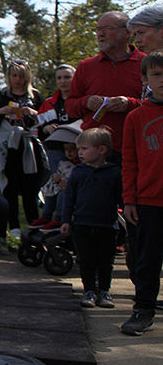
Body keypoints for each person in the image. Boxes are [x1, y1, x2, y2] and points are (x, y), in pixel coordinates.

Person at [120, 51, 163, 335]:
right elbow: (130, 161)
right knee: (147, 260)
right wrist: (130, 199)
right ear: (145, 79)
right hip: (149, 202)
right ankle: (143, 309)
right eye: (157, 75)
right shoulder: (136, 118)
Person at [0, 59, 47, 246]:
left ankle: (34, 229)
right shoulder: (1, 94)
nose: (18, 79)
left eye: (21, 76)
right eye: (14, 75)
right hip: (7, 145)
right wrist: (4, 110)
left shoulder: (35, 95)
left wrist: (32, 113)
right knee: (9, 185)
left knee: (30, 187)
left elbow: (44, 118)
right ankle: (14, 229)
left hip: (28, 146)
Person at [66, 11, 147, 159]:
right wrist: (87, 102)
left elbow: (157, 105)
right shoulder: (86, 66)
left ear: (127, 33)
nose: (100, 34)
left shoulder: (147, 63)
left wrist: (129, 104)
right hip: (96, 155)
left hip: (137, 148)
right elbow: (70, 108)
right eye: (98, 30)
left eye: (107, 29)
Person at [57, 128, 122, 309]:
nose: (80, 153)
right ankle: (89, 290)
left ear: (101, 150)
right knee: (85, 259)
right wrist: (66, 220)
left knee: (105, 260)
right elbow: (69, 198)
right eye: (79, 149)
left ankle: (104, 290)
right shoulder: (78, 172)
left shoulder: (114, 172)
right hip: (82, 224)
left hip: (107, 224)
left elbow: (120, 197)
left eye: (85, 149)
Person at [36, 64, 80, 221]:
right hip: (55, 150)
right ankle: (49, 218)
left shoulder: (82, 100)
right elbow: (38, 130)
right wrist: (46, 127)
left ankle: (64, 219)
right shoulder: (49, 103)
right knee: (56, 183)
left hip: (79, 150)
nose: (63, 81)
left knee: (70, 185)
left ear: (75, 78)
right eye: (59, 78)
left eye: (67, 77)